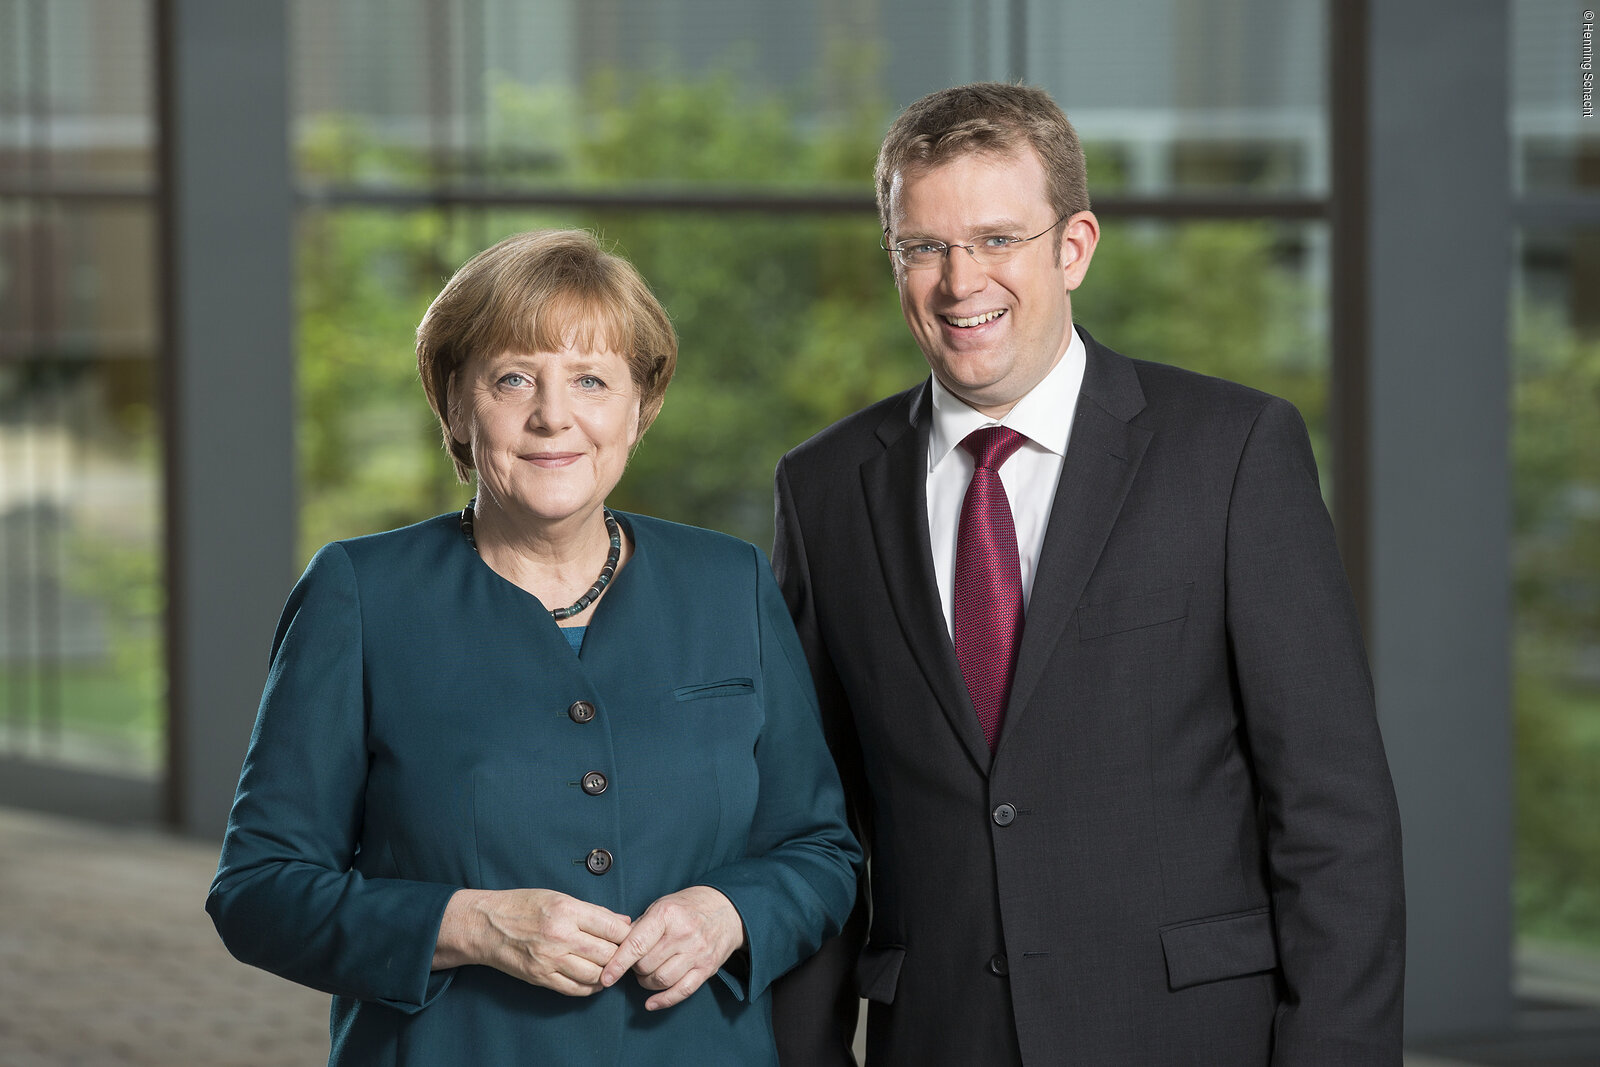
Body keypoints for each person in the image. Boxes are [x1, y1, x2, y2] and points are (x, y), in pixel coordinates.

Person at [769, 83, 1405, 1065]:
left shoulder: (1231, 451)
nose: (959, 281)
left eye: (996, 239)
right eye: (923, 247)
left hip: (1186, 1035)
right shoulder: (824, 488)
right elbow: (815, 820)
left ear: (1073, 246)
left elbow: (1333, 812)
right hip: (940, 1037)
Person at [207, 228, 860, 1066]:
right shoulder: (360, 594)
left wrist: (729, 912)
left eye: (591, 379)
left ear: (640, 405)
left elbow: (820, 849)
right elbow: (257, 889)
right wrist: (471, 924)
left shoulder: (729, 583)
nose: (554, 415)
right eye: (513, 378)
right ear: (455, 403)